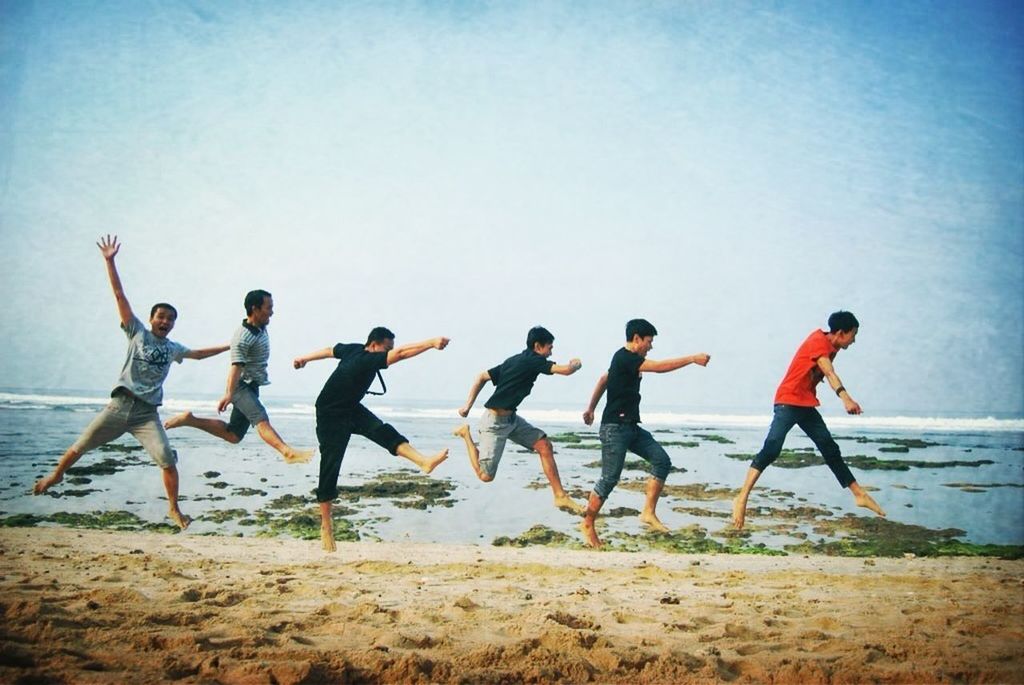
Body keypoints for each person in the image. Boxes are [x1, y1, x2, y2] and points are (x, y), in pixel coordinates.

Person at [34, 236, 229, 530]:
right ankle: (56, 475)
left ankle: (174, 509)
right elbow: (119, 294)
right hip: (118, 406)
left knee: (167, 460)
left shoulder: (173, 347)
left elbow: (199, 355)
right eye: (161, 317)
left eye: (170, 319)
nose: (165, 322)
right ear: (151, 318)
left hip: (146, 414)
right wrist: (110, 261)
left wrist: (231, 346)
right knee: (81, 446)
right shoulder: (137, 331)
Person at [293, 327, 451, 552]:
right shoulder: (365, 360)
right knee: (331, 464)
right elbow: (402, 354)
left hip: (351, 408)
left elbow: (330, 351)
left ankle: (423, 461)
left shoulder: (354, 349)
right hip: (330, 413)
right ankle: (326, 526)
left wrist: (304, 359)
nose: (388, 352)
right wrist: (430, 342)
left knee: (383, 431)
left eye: (390, 349)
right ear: (375, 344)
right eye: (387, 348)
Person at [732, 311, 886, 529]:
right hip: (788, 400)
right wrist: (846, 398)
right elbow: (829, 373)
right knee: (772, 448)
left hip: (805, 403)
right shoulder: (818, 342)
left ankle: (859, 494)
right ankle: (742, 497)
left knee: (829, 448)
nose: (854, 340)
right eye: (853, 335)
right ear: (841, 333)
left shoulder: (832, 346)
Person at [580, 319, 710, 548]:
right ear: (637, 338)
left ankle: (648, 512)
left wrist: (590, 408)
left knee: (662, 461)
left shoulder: (623, 360)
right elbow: (659, 367)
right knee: (609, 478)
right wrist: (691, 359)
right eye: (649, 342)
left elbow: (603, 379)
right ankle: (588, 523)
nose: (650, 346)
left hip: (630, 427)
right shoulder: (625, 358)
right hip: (614, 429)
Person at [163, 289, 314, 464]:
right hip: (241, 386)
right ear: (255, 309)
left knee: (233, 435)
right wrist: (229, 393)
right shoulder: (244, 336)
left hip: (251, 386)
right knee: (261, 419)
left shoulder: (260, 327)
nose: (272, 311)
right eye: (268, 307)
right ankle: (288, 453)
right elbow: (235, 367)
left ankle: (190, 420)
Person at [452, 326, 585, 513]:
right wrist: (576, 364)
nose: (551, 352)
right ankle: (466, 434)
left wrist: (468, 406)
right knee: (485, 476)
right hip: (494, 423)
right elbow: (565, 370)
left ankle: (560, 496)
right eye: (550, 347)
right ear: (538, 346)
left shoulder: (515, 360)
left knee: (544, 446)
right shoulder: (534, 360)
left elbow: (482, 376)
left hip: (511, 419)